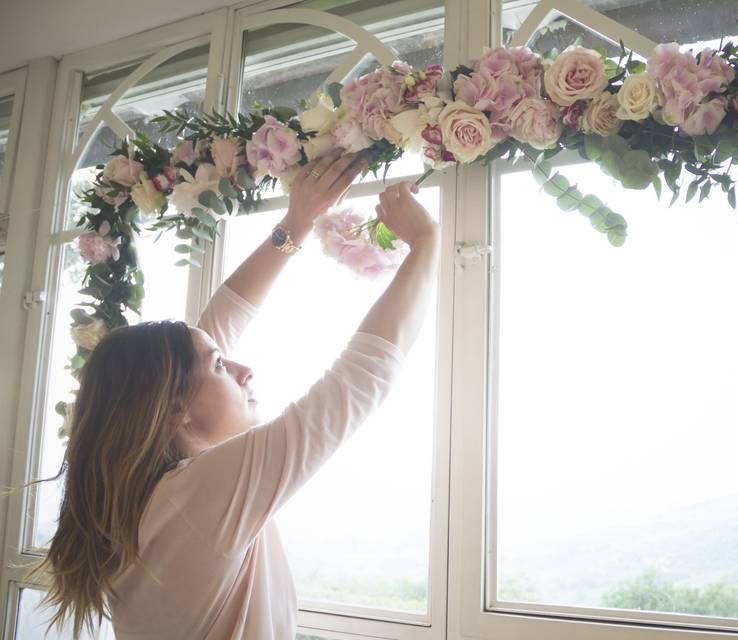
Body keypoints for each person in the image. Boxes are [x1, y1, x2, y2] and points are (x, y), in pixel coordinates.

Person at [31, 150, 440, 639]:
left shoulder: (151, 497)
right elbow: (358, 380)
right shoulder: (197, 495)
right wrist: (426, 244)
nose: (245, 371)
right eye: (223, 367)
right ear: (175, 411)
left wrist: (297, 223)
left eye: (225, 361)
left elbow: (214, 329)